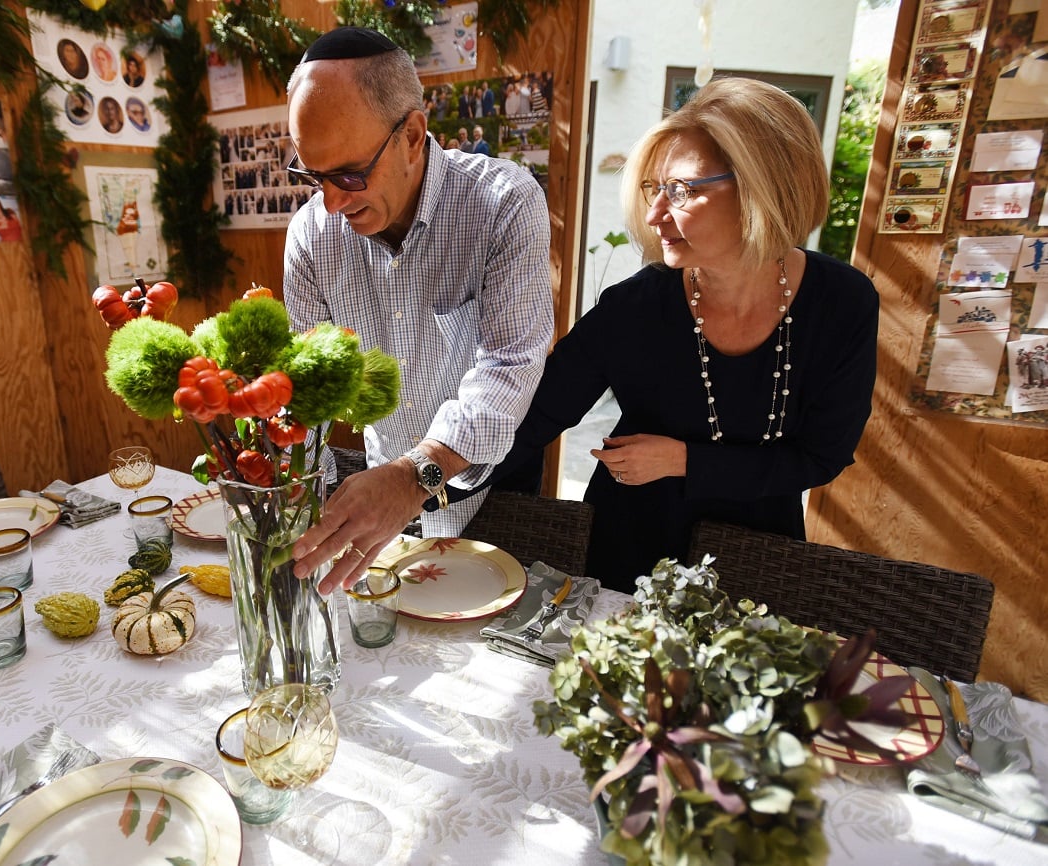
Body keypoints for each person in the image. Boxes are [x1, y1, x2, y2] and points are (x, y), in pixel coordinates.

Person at [464, 77, 879, 593]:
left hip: (755, 559)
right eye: (653, 189)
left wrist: (681, 460)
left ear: (764, 186)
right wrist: (430, 480)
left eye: (681, 191)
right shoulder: (635, 307)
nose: (656, 215)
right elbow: (533, 414)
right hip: (626, 554)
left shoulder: (842, 303)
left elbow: (822, 456)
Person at [279, 27, 553, 593]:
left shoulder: (503, 204)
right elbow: (310, 388)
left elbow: (510, 365)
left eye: (350, 175)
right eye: (312, 175)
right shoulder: (311, 235)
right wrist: (298, 492)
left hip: (493, 490)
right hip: (383, 499)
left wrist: (413, 478)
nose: (331, 203)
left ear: (412, 134)